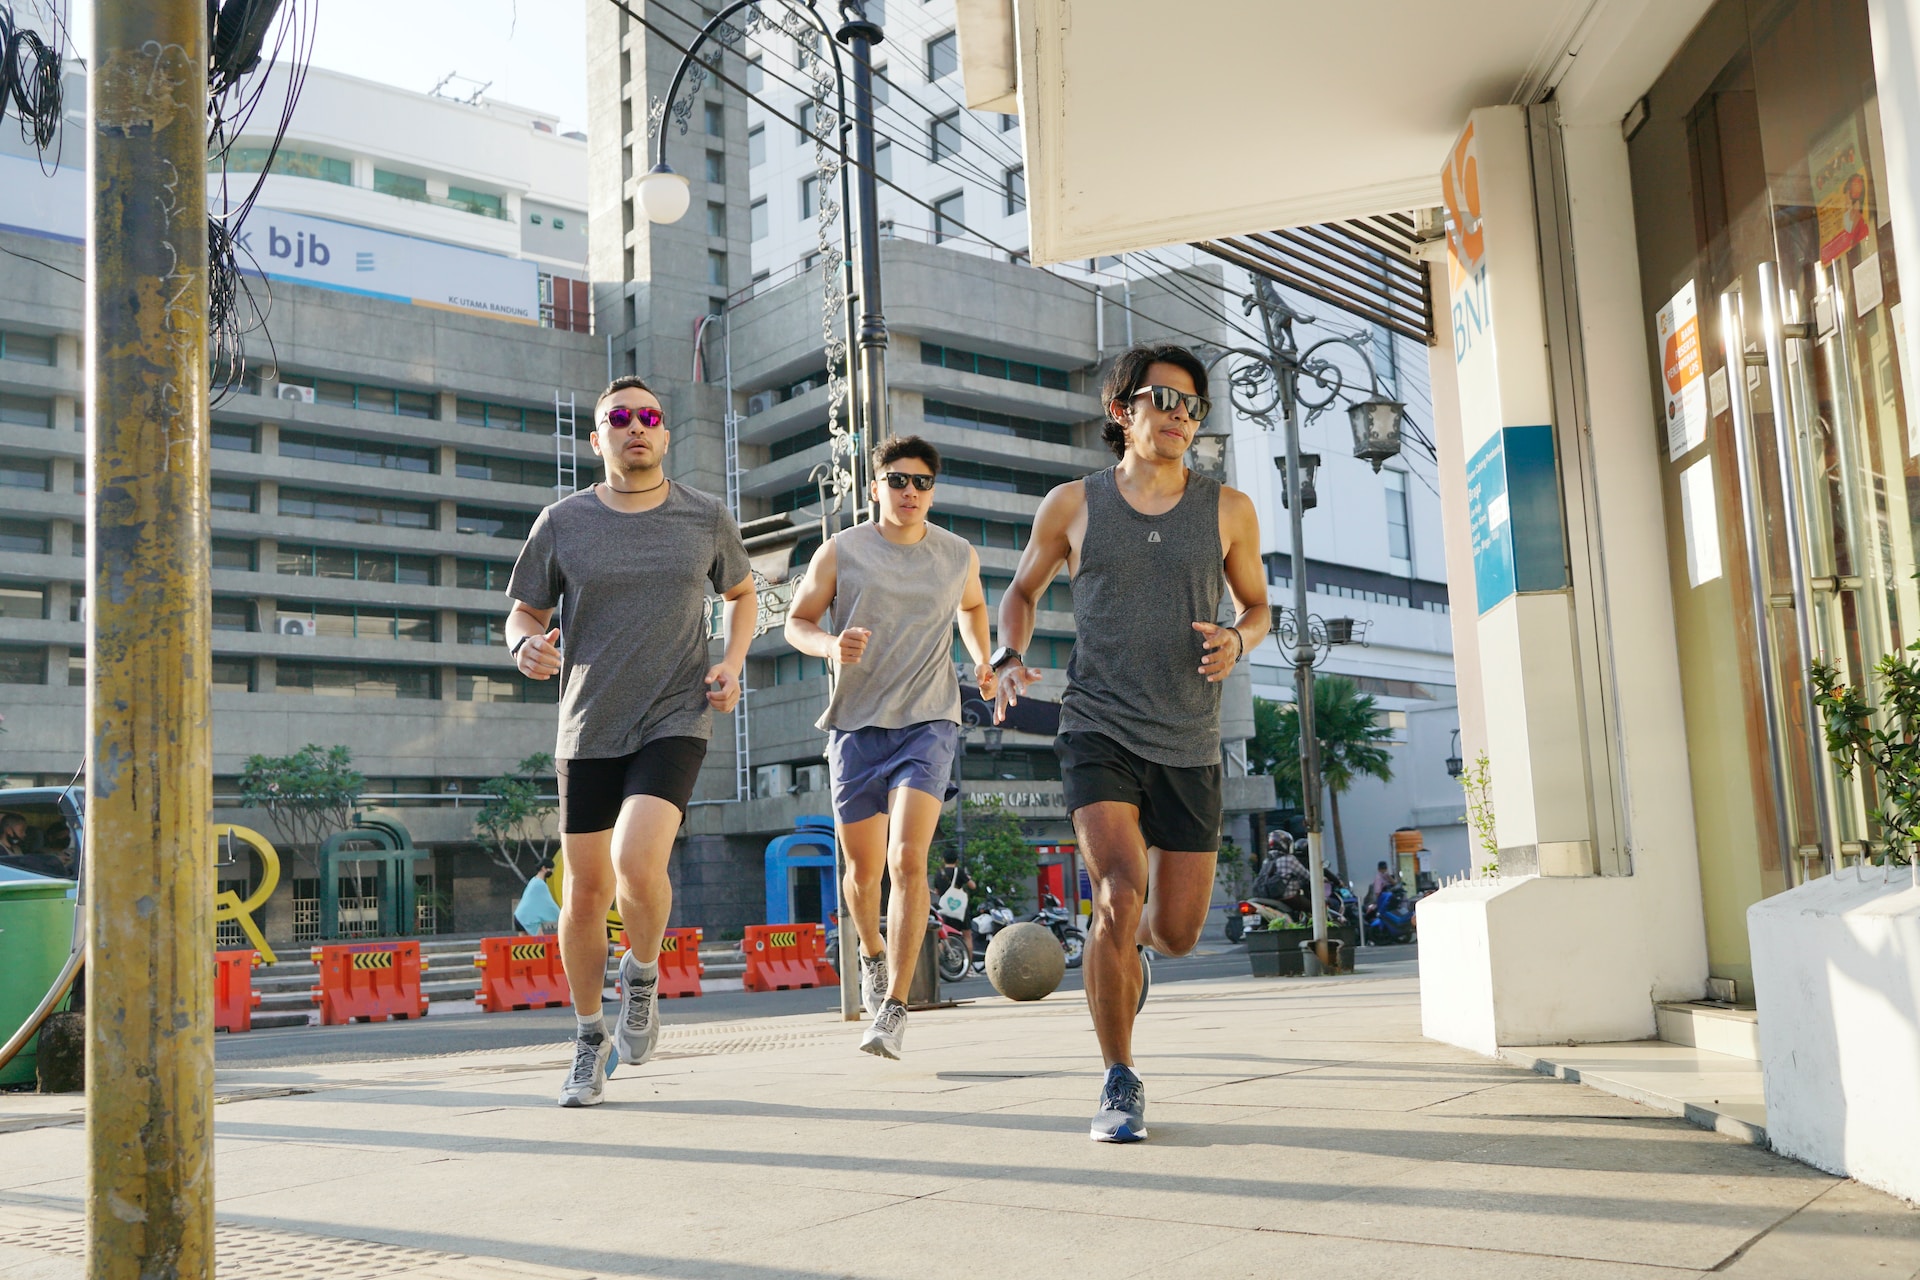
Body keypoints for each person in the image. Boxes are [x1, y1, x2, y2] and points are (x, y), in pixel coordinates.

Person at [993, 342, 1268, 1143]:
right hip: (1098, 725)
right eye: (1163, 399)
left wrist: (1240, 642)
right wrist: (1008, 653)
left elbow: (1258, 607)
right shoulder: (1073, 504)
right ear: (1123, 411)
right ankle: (1119, 1079)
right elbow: (1020, 590)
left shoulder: (1229, 508)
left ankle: (1129, 959)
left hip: (1189, 735)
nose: (1180, 416)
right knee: (1116, 892)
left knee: (1174, 931)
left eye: (1193, 405)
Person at [506, 375, 755, 1108]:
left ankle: (641, 974)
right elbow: (521, 612)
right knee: (583, 893)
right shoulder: (562, 522)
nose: (636, 426)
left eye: (649, 416)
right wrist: (523, 647)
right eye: (620, 417)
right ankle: (589, 1038)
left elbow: (741, 597)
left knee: (634, 860)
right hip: (586, 724)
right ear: (598, 437)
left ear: (666, 434)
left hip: (675, 713)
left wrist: (731, 664)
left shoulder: (705, 517)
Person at [784, 435, 996, 1059]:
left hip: (930, 721)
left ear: (933, 490)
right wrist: (830, 646)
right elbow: (797, 622)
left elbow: (975, 605)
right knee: (862, 873)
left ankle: (897, 1006)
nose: (910, 492)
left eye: (922, 483)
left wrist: (983, 658)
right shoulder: (841, 551)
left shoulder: (956, 553)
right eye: (898, 481)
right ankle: (872, 954)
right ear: (874, 486)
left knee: (908, 861)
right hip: (855, 726)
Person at [933, 850, 977, 970]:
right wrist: (967, 878)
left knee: (944, 937)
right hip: (960, 910)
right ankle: (968, 968)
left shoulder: (939, 874)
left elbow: (937, 892)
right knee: (967, 936)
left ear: (944, 860)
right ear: (956, 860)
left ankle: (938, 967)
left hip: (945, 910)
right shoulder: (959, 871)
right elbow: (973, 886)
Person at [514, 857, 561, 935]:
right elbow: (550, 904)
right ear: (543, 868)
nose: (552, 871)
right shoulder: (540, 885)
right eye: (550, 869)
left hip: (519, 917)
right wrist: (561, 917)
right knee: (541, 944)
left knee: (524, 945)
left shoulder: (533, 880)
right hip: (529, 920)